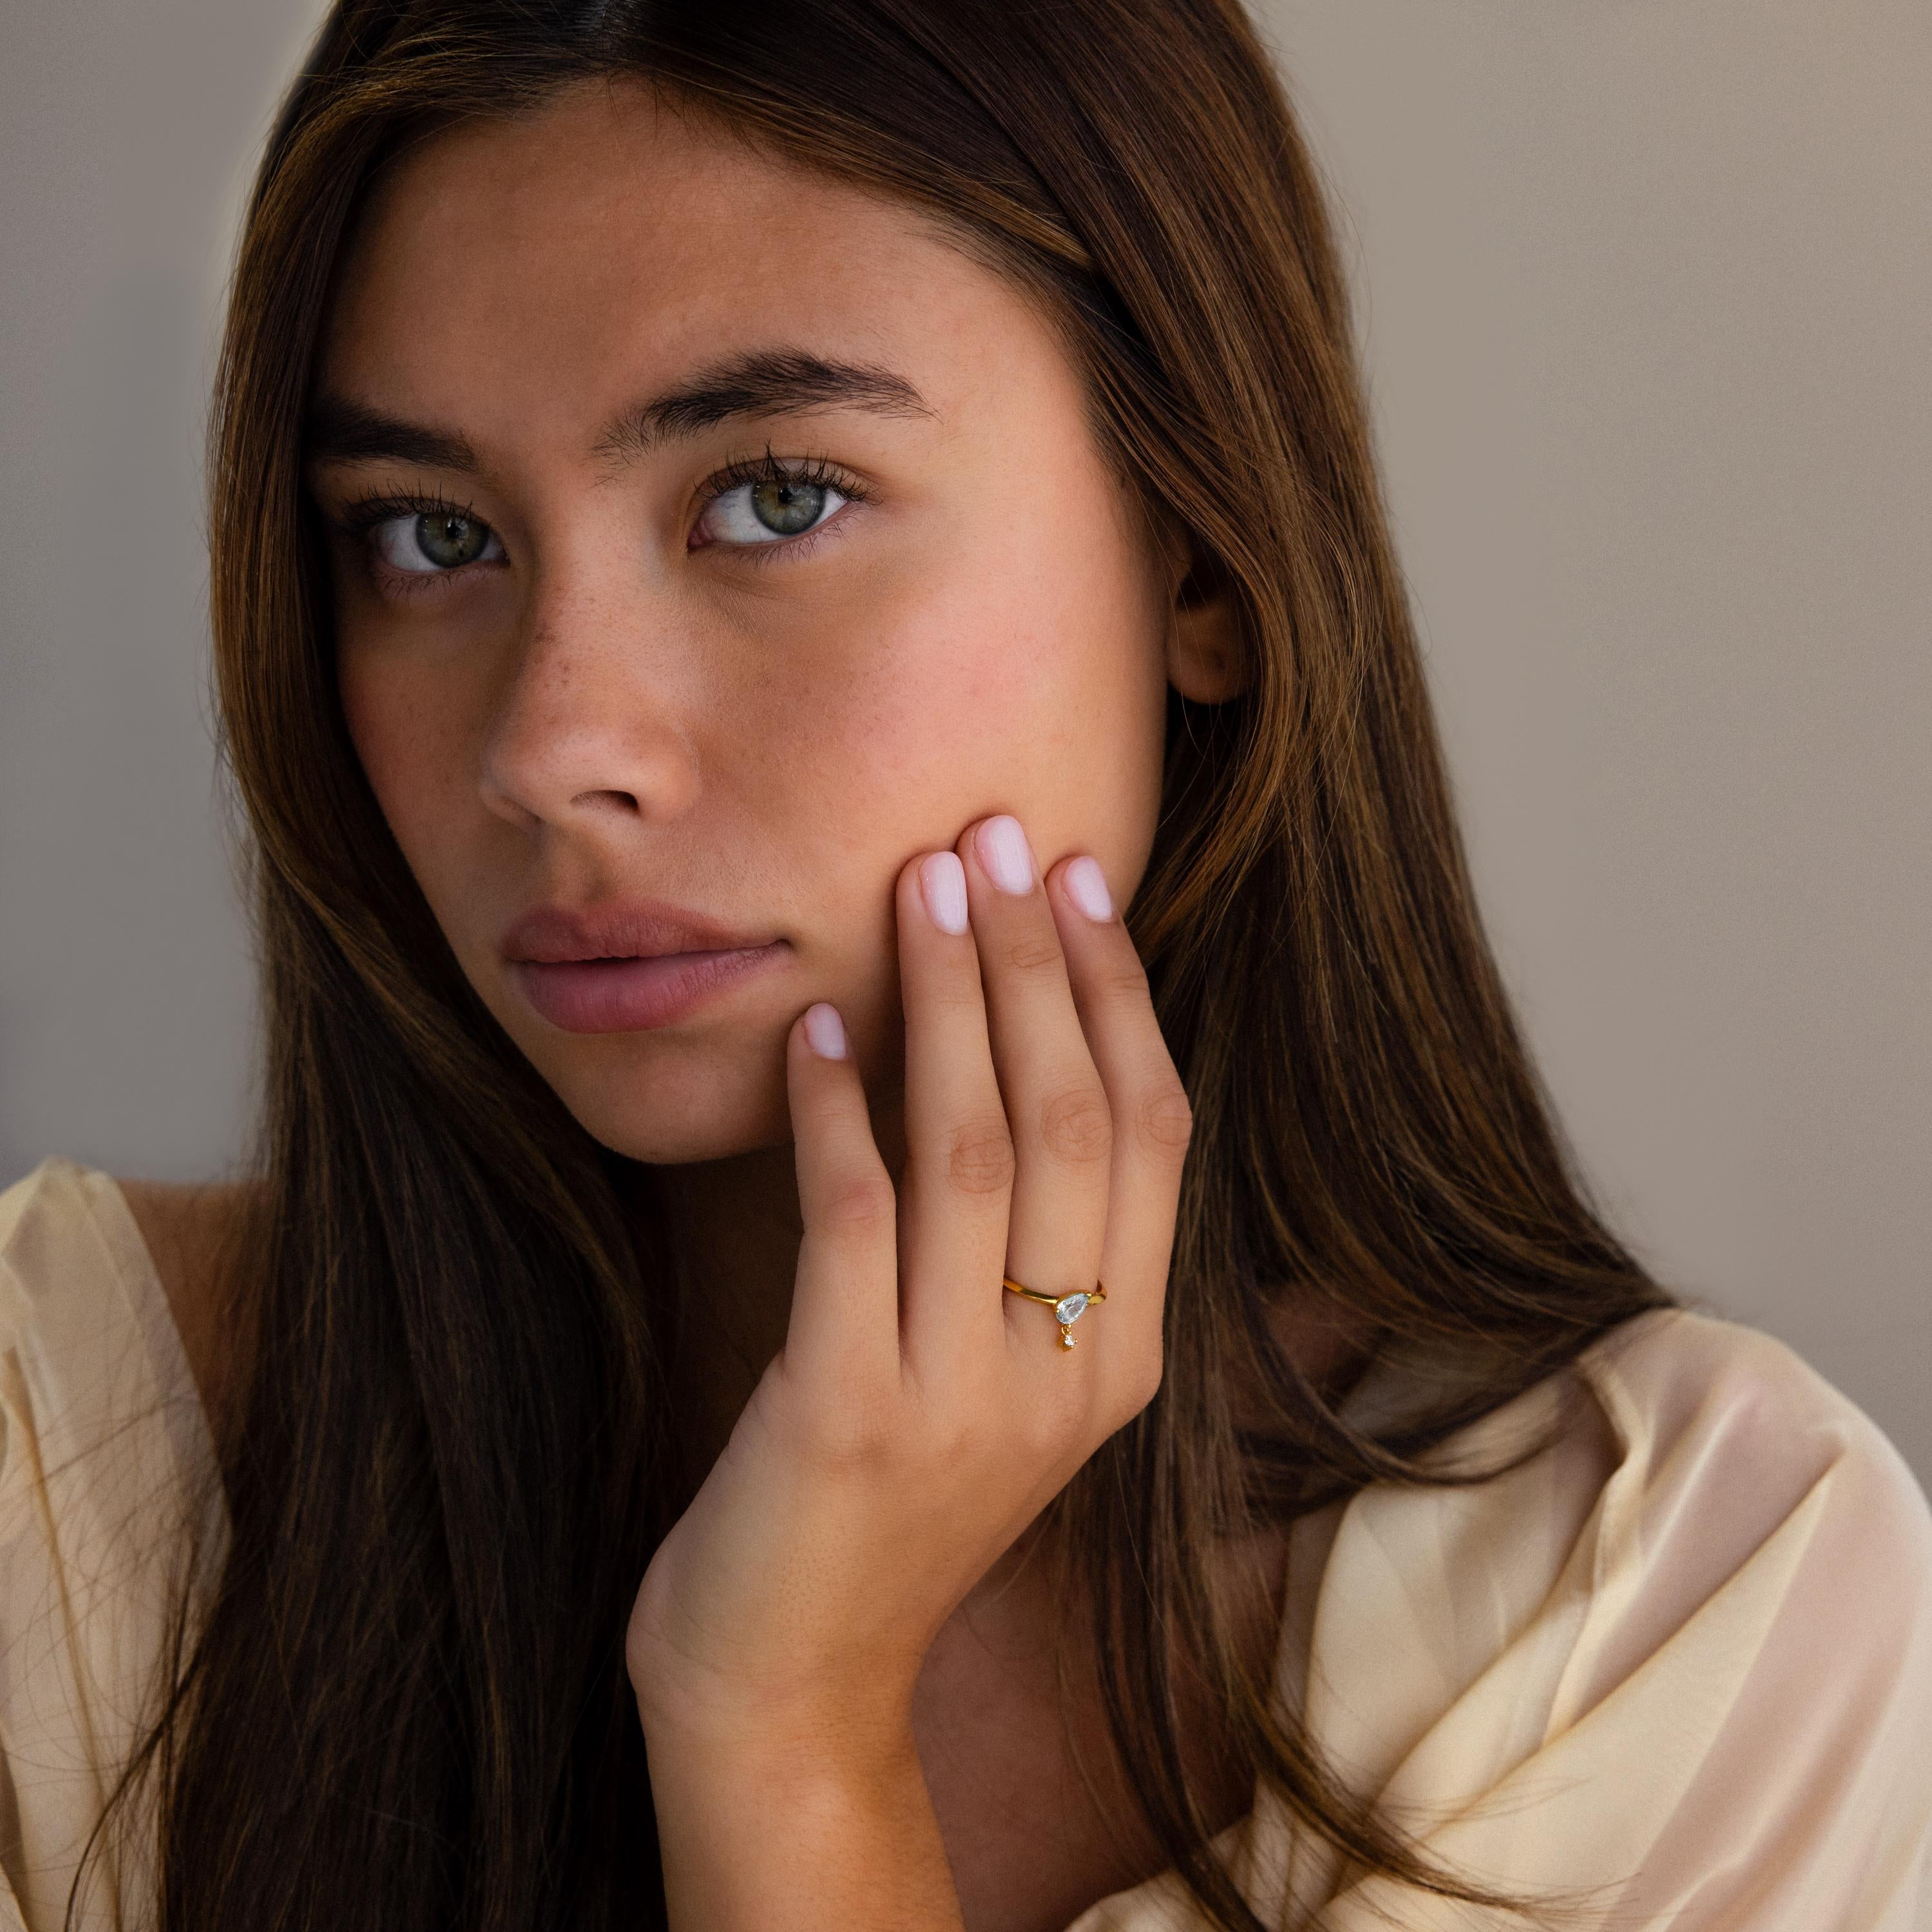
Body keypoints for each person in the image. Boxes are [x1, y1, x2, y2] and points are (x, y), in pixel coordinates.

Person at [1, 2, 1927, 1927]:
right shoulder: (52, 1460)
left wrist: (786, 1731)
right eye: (430, 536)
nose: (551, 747)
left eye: (777, 497)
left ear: (1204, 563)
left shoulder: (1694, 1605)